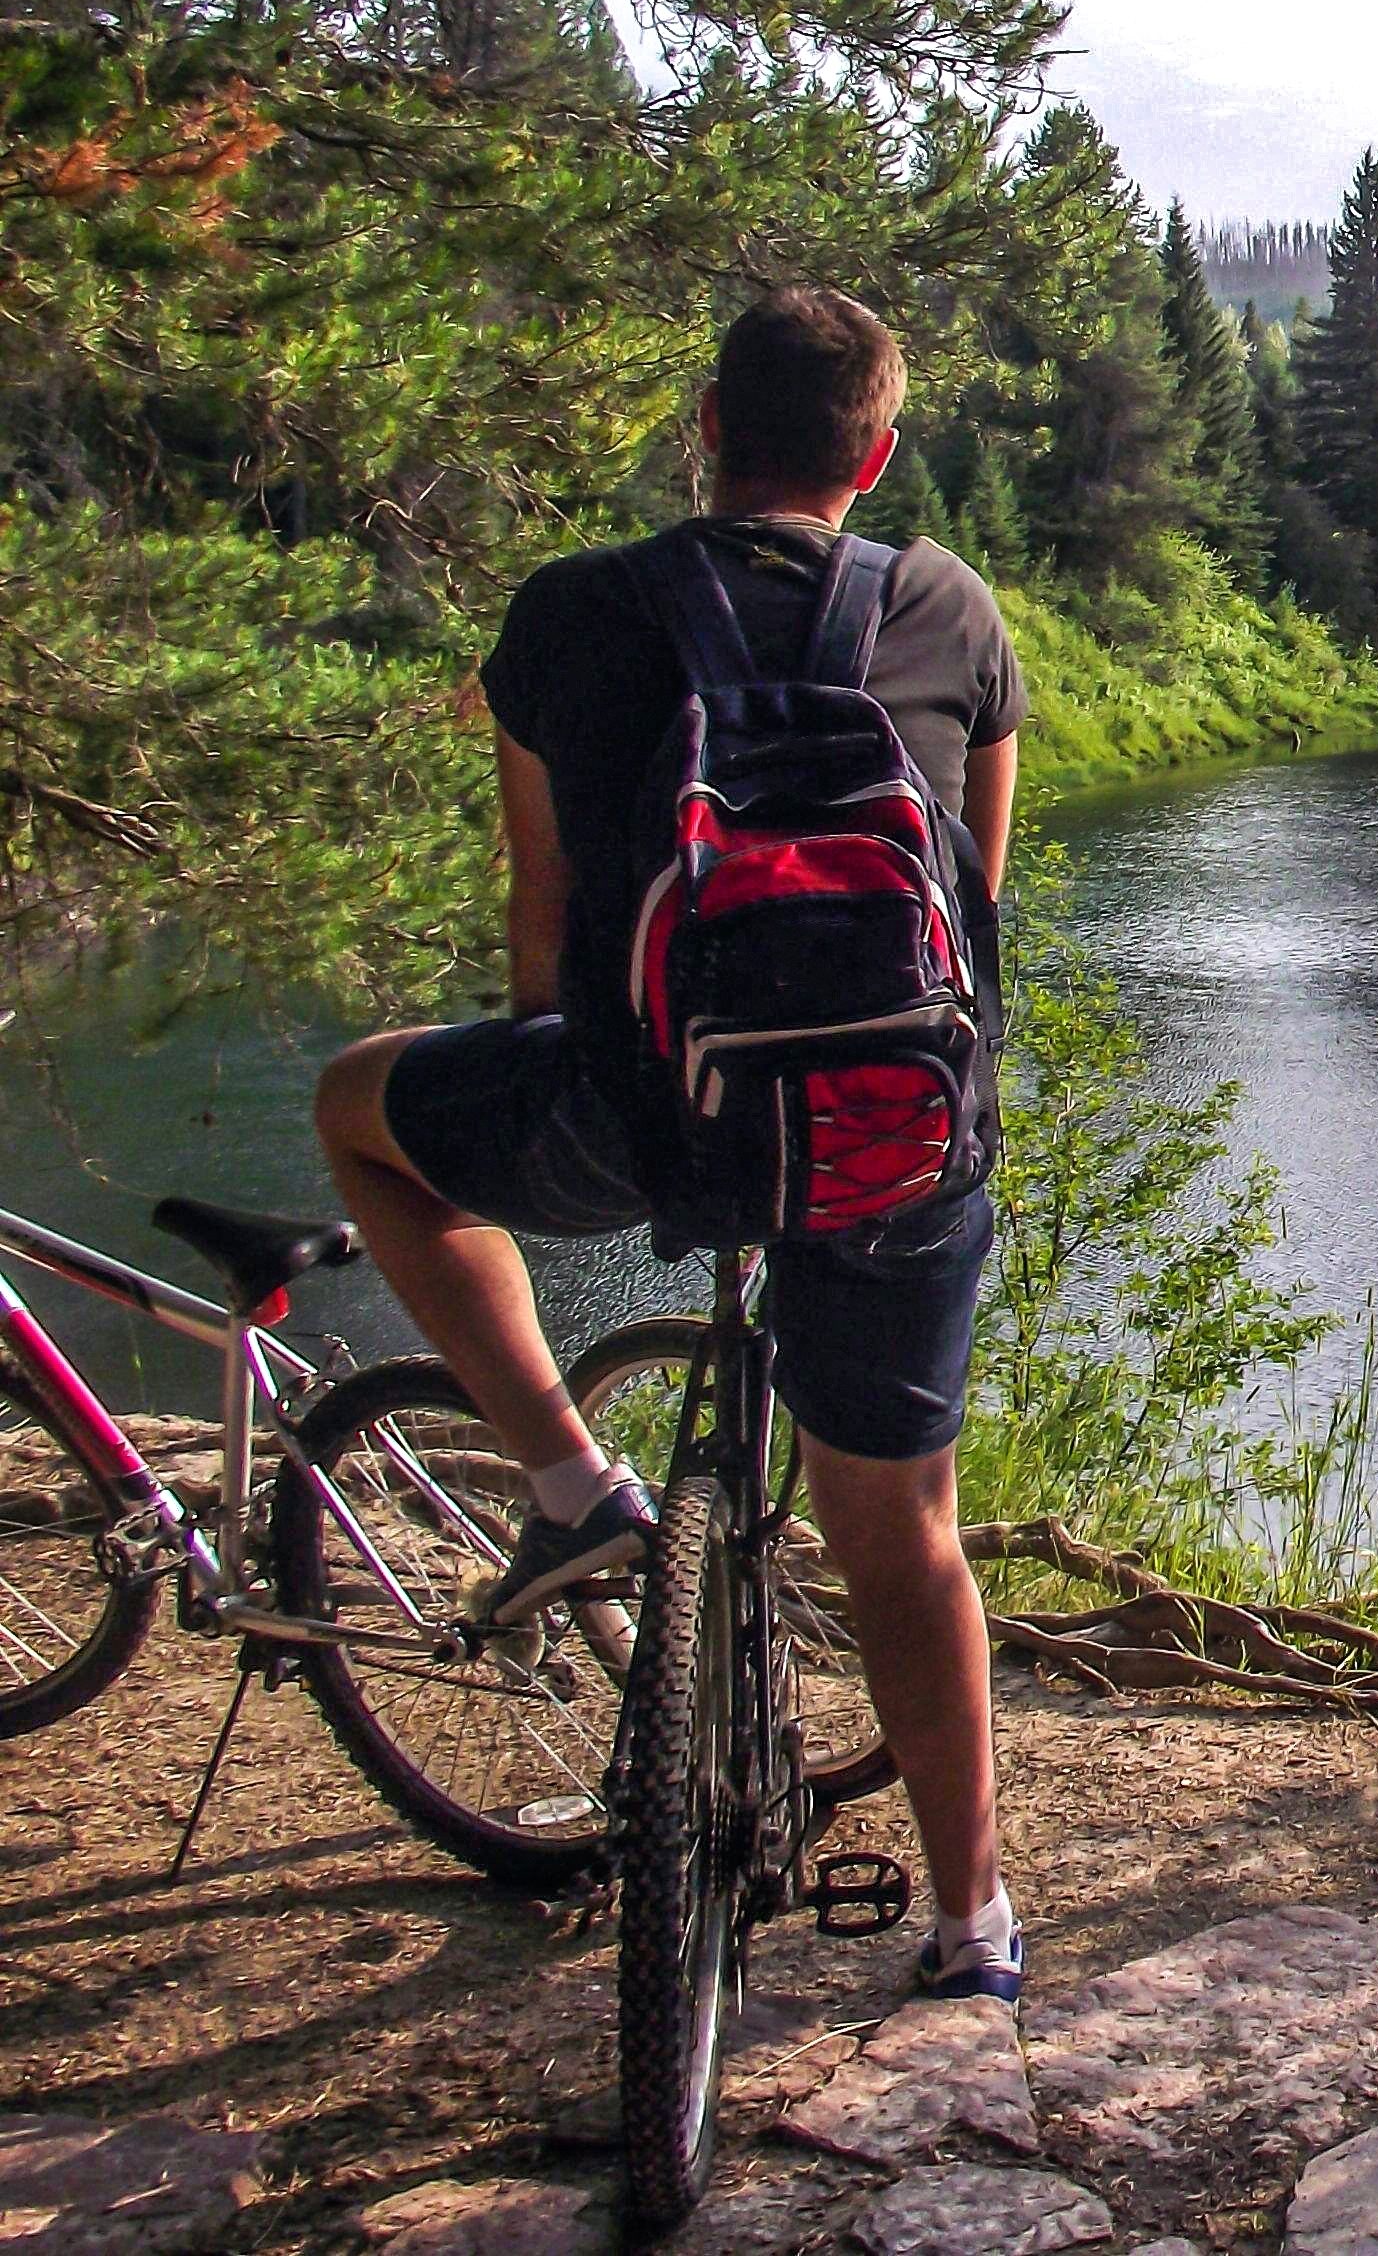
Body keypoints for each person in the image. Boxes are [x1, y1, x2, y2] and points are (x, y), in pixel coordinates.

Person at [314, 287, 1030, 2002]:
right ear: (875, 450)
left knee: (361, 1108)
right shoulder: (945, 605)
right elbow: (975, 915)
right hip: (888, 1142)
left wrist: (626, 1088)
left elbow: (545, 912)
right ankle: (972, 1927)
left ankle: (569, 1485)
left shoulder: (569, 615)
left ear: (704, 426)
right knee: (903, 1522)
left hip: (643, 1108)